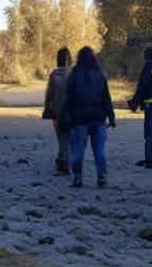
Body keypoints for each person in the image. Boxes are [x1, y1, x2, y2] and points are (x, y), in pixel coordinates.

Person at [58, 46, 116, 188]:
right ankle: (101, 176)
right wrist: (111, 116)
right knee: (99, 150)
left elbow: (69, 99)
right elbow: (106, 98)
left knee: (77, 150)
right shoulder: (100, 75)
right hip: (98, 118)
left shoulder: (74, 75)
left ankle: (78, 177)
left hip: (79, 119)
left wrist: (64, 116)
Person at [41, 47, 72, 175]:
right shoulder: (73, 74)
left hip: (57, 110)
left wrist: (47, 107)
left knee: (61, 137)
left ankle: (62, 159)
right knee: (69, 137)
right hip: (71, 109)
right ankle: (64, 159)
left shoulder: (53, 75)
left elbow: (49, 94)